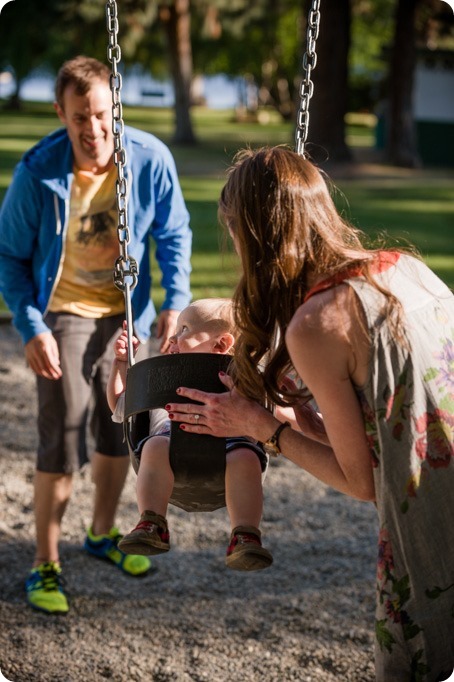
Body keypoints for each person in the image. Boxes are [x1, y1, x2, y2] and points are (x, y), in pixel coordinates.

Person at [164, 147, 454, 681]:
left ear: (253, 235)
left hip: (436, 525)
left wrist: (261, 428)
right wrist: (299, 421)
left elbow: (363, 480)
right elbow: (392, 422)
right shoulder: (404, 268)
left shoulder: (318, 321)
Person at [0, 56, 192, 614]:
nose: (93, 129)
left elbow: (175, 233)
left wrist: (175, 303)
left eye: (102, 114)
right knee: (62, 430)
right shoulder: (38, 172)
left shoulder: (150, 159)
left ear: (116, 108)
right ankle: (45, 562)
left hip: (125, 313)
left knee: (121, 430)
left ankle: (102, 533)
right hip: (61, 311)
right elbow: (10, 258)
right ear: (60, 112)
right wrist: (31, 326)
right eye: (79, 116)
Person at [107, 298, 272, 572]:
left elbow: (266, 413)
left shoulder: (241, 379)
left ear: (221, 345)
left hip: (231, 447)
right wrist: (121, 364)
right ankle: (152, 522)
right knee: (155, 446)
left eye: (184, 329)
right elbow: (121, 407)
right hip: (170, 447)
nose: (172, 337)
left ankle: (245, 534)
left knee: (246, 457)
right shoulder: (162, 376)